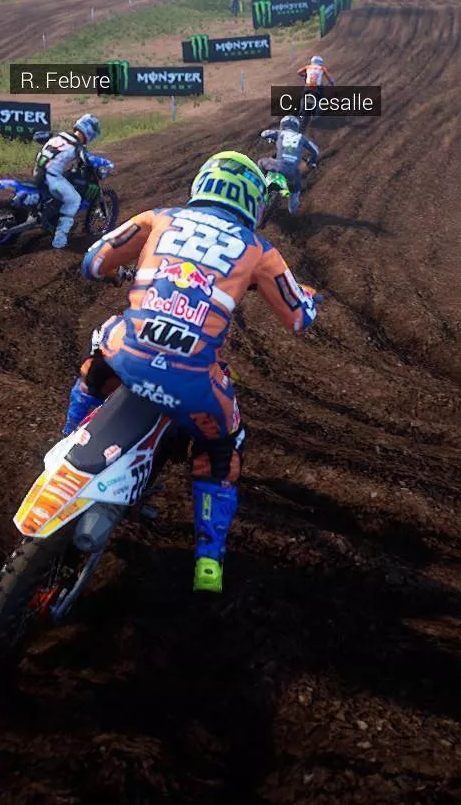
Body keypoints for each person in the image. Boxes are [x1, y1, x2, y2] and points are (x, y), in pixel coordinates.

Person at [62, 152, 322, 593]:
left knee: (97, 355)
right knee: (222, 447)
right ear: (254, 201)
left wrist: (123, 269)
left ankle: (68, 441)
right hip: (193, 383)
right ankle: (208, 562)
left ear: (202, 184)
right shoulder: (260, 249)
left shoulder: (159, 217)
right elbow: (299, 318)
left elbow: (92, 262)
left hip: (125, 357)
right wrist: (310, 298)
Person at [35, 113, 101, 249]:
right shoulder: (78, 147)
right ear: (90, 132)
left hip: (37, 171)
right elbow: (87, 161)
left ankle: (49, 215)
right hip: (52, 178)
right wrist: (103, 163)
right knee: (74, 199)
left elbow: (38, 136)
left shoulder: (59, 135)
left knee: (64, 182)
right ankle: (60, 241)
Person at [258, 114, 321, 215]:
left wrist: (270, 138)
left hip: (277, 165)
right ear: (296, 127)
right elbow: (316, 151)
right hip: (293, 172)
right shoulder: (301, 137)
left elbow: (264, 133)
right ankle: (293, 210)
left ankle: (259, 187)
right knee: (294, 194)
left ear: (283, 125)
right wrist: (312, 162)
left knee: (261, 162)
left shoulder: (279, 133)